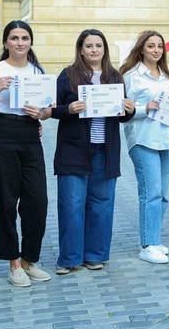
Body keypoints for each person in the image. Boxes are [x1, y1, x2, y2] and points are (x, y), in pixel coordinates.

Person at [51, 29, 135, 274]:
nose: (94, 50)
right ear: (81, 49)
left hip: (105, 150)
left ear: (104, 49)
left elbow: (121, 116)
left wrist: (129, 110)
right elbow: (52, 108)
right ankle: (69, 258)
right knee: (72, 204)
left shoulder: (114, 77)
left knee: (102, 203)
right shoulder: (68, 75)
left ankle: (95, 255)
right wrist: (69, 109)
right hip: (74, 149)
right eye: (89, 46)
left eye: (98, 45)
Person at [0, 20, 52, 286]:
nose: (20, 43)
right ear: (5, 42)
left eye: (25, 38)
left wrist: (41, 114)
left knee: (38, 201)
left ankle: (28, 260)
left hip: (30, 134)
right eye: (14, 38)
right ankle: (13, 263)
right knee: (5, 200)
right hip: (1, 132)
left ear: (30, 41)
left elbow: (48, 109)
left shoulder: (38, 71)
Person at [120, 30, 169, 264]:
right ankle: (147, 245)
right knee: (150, 192)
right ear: (141, 49)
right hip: (143, 139)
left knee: (162, 195)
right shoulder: (131, 76)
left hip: (166, 139)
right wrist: (145, 108)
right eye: (151, 46)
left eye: (160, 46)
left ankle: (154, 238)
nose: (156, 50)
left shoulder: (166, 76)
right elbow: (122, 111)